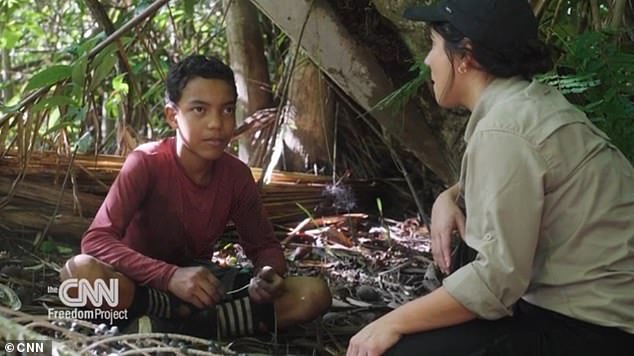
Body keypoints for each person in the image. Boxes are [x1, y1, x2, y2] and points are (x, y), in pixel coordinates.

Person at [347, 1, 634, 355]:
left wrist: (389, 321)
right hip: (601, 317)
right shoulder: (528, 105)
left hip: (591, 332)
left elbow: (494, 282)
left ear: (466, 56)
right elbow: (523, 182)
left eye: (435, 46)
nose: (427, 61)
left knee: (393, 350)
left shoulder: (504, 130)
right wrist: (447, 197)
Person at [60, 54, 331, 338]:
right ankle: (193, 320)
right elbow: (95, 240)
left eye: (227, 110)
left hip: (201, 285)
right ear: (172, 116)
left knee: (313, 294)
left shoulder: (236, 176)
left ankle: (166, 323)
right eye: (200, 109)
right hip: (135, 281)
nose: (216, 123)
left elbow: (264, 246)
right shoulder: (146, 162)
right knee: (78, 275)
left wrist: (268, 275)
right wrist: (169, 277)